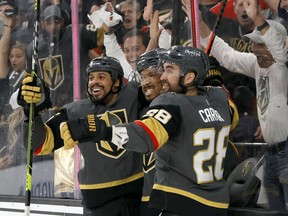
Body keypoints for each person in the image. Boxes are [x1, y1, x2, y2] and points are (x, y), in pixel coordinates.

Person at [60, 45, 238, 216]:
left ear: (189, 77)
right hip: (217, 204)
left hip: (180, 202)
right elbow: (231, 116)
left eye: (169, 71)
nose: (163, 77)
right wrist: (210, 80)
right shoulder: (219, 99)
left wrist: (104, 130)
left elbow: (145, 136)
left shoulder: (171, 104)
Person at [19, 56, 144, 216]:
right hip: (99, 203)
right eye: (91, 77)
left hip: (137, 197)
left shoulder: (133, 95)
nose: (94, 81)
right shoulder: (76, 111)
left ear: (117, 82)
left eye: (101, 77)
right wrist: (32, 113)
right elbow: (39, 145)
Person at [198, 0, 288, 210]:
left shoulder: (283, 66)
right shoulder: (258, 65)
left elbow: (279, 50)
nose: (255, 49)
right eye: (254, 44)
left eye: (260, 44)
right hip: (272, 154)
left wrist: (258, 18)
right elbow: (227, 56)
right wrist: (200, 23)